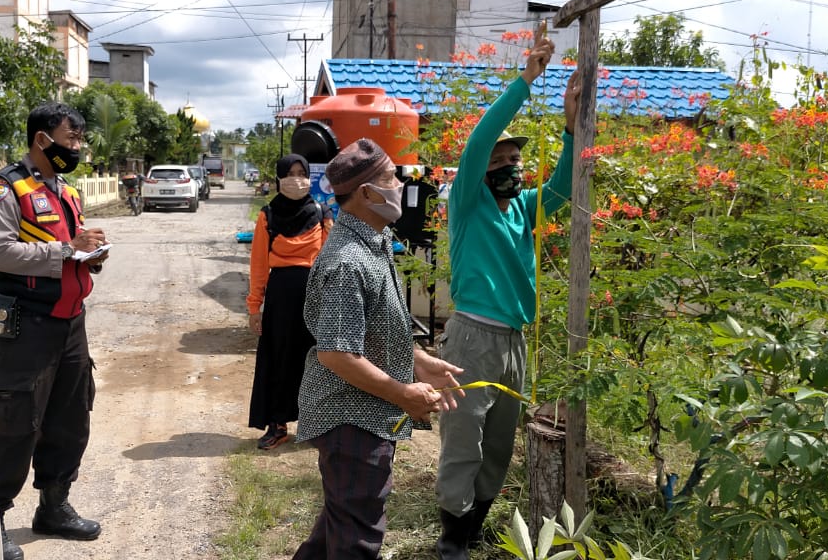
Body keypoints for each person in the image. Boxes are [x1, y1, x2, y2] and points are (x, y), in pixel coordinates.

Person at [433, 37, 583, 559]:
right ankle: (451, 536)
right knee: (462, 437)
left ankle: (474, 524)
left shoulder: (525, 209)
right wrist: (526, 83)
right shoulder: (468, 203)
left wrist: (568, 127)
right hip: (473, 337)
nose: (512, 165)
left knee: (498, 445)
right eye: (504, 158)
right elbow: (478, 142)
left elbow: (563, 190)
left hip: (515, 341)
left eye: (518, 158)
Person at [292, 138, 465, 559]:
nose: (400, 184)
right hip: (349, 417)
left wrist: (418, 362)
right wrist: (403, 393)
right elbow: (337, 354)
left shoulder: (374, 242)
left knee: (338, 525)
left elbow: (371, 330)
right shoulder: (348, 259)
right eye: (391, 177)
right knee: (357, 538)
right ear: (367, 193)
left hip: (360, 414)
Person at [0, 101, 108, 560]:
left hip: (72, 322)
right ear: (42, 139)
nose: (77, 148)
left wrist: (89, 255)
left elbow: (69, 250)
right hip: (27, 323)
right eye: (71, 139)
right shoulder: (3, 189)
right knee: (16, 422)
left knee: (69, 419)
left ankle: (53, 506)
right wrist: (66, 251)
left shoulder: (66, 192)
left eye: (78, 140)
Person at [247, 154, 332, 450]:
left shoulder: (322, 212)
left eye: (301, 172)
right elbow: (259, 265)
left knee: (316, 359)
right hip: (281, 297)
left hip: (315, 295)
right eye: (290, 173)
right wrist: (254, 307)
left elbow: (331, 259)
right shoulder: (268, 216)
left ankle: (317, 424)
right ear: (279, 178)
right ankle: (277, 423)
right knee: (278, 358)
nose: (296, 179)